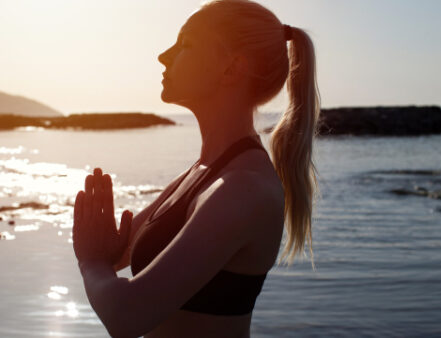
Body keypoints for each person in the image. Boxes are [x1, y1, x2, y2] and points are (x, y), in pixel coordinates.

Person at [72, 0, 320, 336]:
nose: (164, 56)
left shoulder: (243, 187)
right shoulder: (203, 173)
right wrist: (102, 254)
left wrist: (90, 263)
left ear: (231, 68)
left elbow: (126, 315)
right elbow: (114, 259)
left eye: (185, 44)